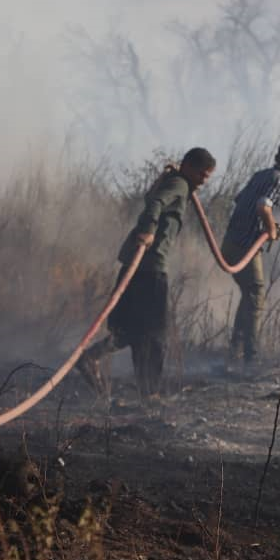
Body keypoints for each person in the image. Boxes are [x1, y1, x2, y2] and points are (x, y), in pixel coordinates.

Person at [76, 147, 216, 399]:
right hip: (151, 267)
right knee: (155, 334)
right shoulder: (179, 184)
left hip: (138, 266)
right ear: (190, 167)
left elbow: (152, 196)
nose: (205, 181)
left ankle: (91, 358)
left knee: (132, 330)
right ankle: (150, 393)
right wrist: (149, 229)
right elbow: (156, 202)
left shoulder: (178, 183)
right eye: (203, 175)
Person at [221, 137, 280, 363]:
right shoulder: (279, 179)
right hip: (244, 247)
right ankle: (251, 355)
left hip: (230, 242)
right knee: (256, 293)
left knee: (249, 294)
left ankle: (235, 350)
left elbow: (240, 201)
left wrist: (270, 228)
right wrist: (270, 229)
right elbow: (263, 206)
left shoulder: (261, 175)